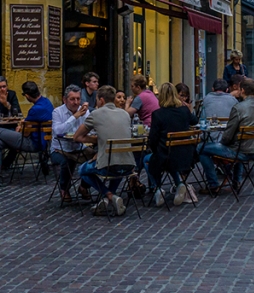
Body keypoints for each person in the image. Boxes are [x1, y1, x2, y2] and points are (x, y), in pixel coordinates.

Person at [0, 81, 53, 187]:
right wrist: (22, 125)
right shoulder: (47, 103)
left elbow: (26, 133)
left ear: (27, 95)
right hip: (43, 143)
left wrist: (21, 127)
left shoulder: (35, 109)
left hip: (32, 143)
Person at [198, 77, 254, 194]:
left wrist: (222, 143)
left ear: (242, 90)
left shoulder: (238, 108)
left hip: (239, 152)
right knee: (238, 143)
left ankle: (213, 184)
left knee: (201, 148)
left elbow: (227, 137)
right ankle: (236, 181)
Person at [74, 85, 134, 216]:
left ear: (101, 100)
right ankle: (107, 200)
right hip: (128, 165)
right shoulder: (125, 114)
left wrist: (96, 140)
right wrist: (101, 140)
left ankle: (110, 196)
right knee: (117, 166)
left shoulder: (96, 114)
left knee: (83, 170)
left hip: (109, 165)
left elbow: (77, 136)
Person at [144, 83, 198, 207]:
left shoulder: (158, 114)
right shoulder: (184, 110)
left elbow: (153, 138)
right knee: (169, 157)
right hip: (186, 156)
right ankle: (179, 184)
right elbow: (195, 121)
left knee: (147, 159)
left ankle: (158, 189)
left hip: (166, 157)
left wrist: (154, 149)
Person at [50, 84, 92, 202]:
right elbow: (58, 131)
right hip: (60, 148)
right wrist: (75, 117)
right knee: (66, 162)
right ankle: (65, 189)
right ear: (65, 99)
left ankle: (84, 186)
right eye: (72, 99)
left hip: (79, 146)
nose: (76, 102)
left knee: (96, 159)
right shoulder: (57, 112)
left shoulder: (84, 111)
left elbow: (90, 128)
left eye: (78, 99)